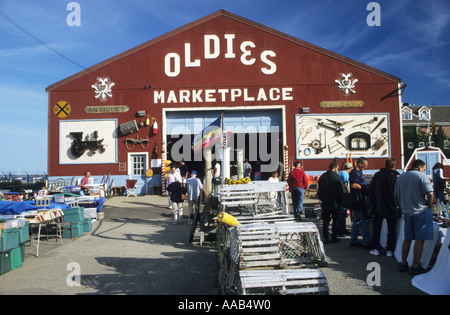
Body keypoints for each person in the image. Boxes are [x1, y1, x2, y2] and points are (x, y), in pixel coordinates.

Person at [395, 159, 434, 275]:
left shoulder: (400, 177)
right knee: (419, 239)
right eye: (424, 168)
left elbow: (396, 195)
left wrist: (403, 205)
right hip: (420, 211)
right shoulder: (422, 176)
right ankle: (415, 266)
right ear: (420, 167)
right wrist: (429, 204)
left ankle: (403, 263)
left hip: (407, 211)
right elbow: (430, 194)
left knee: (407, 238)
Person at [369, 158, 401, 257]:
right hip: (392, 205)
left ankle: (376, 248)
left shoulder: (378, 175)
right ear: (394, 166)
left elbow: (371, 190)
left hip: (379, 205)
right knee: (391, 229)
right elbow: (398, 193)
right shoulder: (396, 176)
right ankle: (390, 249)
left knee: (377, 228)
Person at [318, 162, 345, 244]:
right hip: (335, 203)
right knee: (335, 221)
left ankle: (326, 238)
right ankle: (334, 237)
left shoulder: (323, 176)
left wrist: (322, 199)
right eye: (337, 168)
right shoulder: (337, 177)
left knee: (325, 221)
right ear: (335, 168)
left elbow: (319, 191)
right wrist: (341, 202)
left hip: (325, 202)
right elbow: (341, 191)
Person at [349, 157, 372, 249]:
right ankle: (366, 242)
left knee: (357, 221)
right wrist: (364, 189)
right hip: (359, 199)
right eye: (365, 165)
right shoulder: (354, 173)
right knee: (365, 221)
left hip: (358, 199)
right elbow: (354, 185)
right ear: (360, 164)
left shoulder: (359, 172)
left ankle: (353, 240)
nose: (366, 167)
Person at [338, 162, 352, 236]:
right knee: (343, 212)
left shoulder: (341, 173)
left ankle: (342, 228)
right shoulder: (346, 174)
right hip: (344, 194)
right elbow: (346, 184)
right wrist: (349, 192)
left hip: (340, 194)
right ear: (350, 168)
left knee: (342, 213)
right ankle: (341, 230)